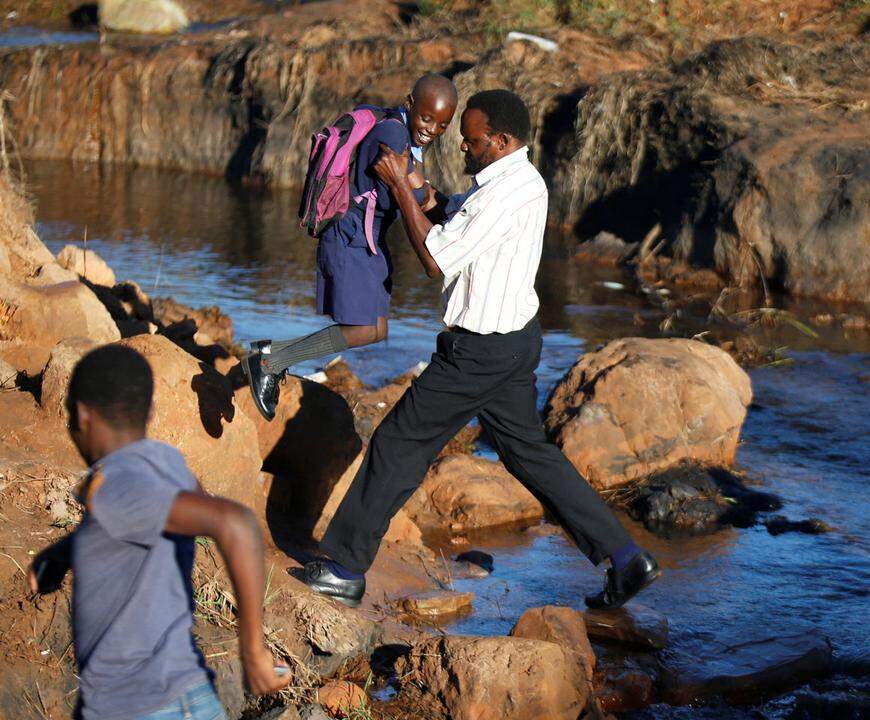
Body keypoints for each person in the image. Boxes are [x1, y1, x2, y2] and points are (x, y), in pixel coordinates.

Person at [294, 89, 661, 611]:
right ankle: (625, 559)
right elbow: (456, 218)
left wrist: (400, 187)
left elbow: (437, 258)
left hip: (480, 351)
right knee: (529, 454)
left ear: (502, 140)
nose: (461, 148)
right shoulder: (518, 181)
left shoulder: (502, 194)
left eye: (471, 141)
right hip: (515, 342)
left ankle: (346, 569)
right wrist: (424, 193)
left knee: (398, 444)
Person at [27, 344, 291, 720]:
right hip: (183, 695)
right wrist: (63, 552)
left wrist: (253, 653)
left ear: (82, 415)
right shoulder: (165, 462)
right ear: (149, 412)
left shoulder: (117, 484)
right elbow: (134, 521)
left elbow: (235, 522)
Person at [242, 73, 458, 421]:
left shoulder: (400, 133)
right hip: (350, 235)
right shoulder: (392, 133)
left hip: (368, 240)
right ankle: (270, 361)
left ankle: (271, 353)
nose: (432, 129)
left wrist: (423, 188)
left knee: (376, 329)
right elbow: (410, 192)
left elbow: (414, 186)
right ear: (409, 104)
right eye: (427, 117)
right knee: (360, 329)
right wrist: (422, 190)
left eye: (442, 124)